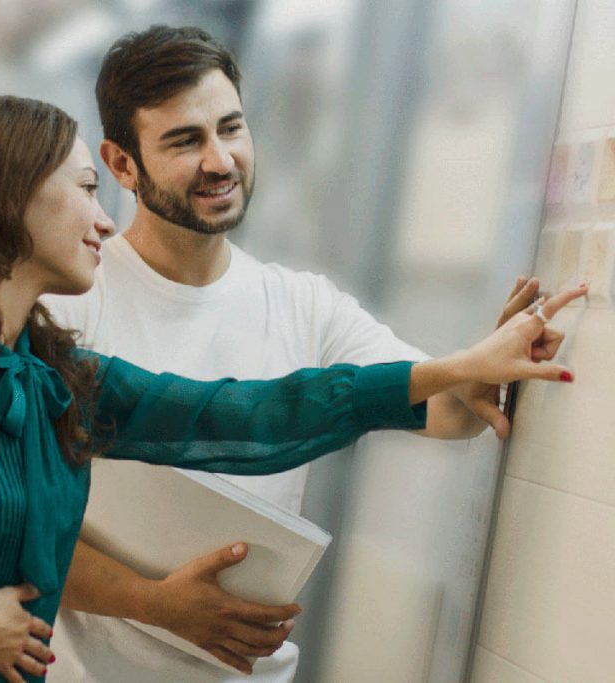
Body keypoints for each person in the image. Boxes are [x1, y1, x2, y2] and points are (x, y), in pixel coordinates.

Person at [0, 94, 581, 683]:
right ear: (6, 202)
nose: (104, 220)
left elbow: (247, 413)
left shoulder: (51, 378)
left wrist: (455, 368)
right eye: (87, 190)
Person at [43, 25, 563, 682]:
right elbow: (16, 530)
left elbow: (449, 414)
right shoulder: (71, 302)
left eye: (230, 128)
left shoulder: (303, 304)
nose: (219, 159)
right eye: (185, 141)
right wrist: (155, 604)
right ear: (120, 164)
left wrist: (487, 364)